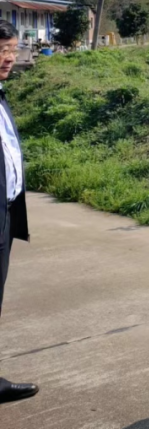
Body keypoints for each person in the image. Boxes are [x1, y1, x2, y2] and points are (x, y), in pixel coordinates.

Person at [0, 20, 38, 405]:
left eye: (12, 50)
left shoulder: (1, 96)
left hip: (6, 215)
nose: (9, 58)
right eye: (2, 51)